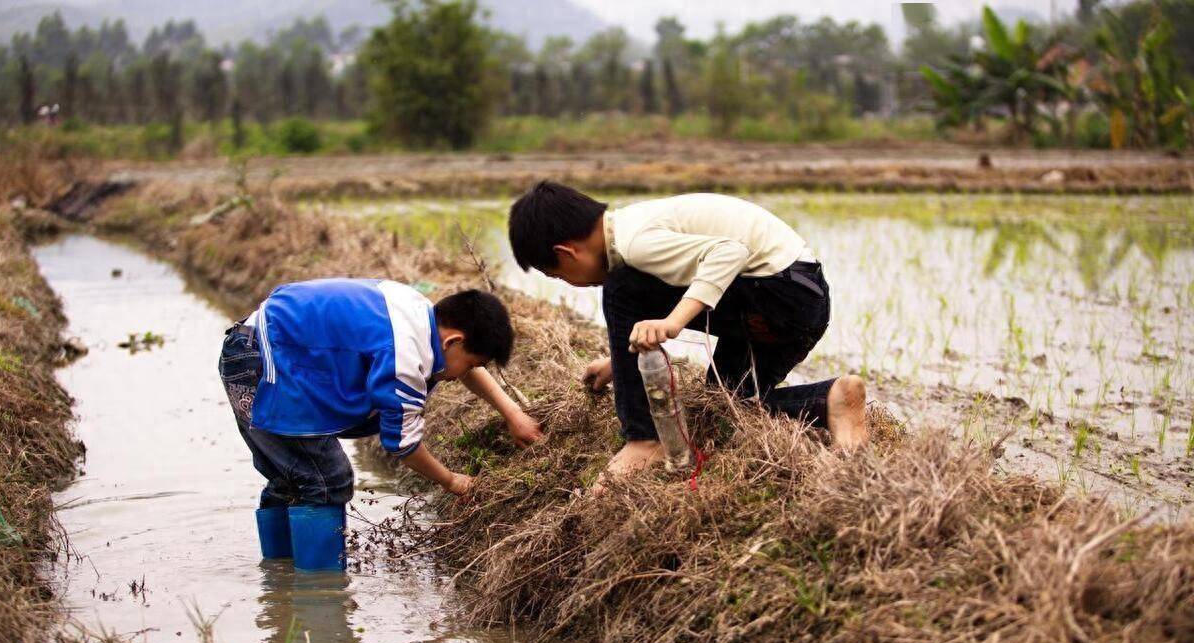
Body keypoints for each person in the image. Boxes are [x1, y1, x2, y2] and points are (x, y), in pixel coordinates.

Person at [507, 181, 868, 483]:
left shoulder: (635, 242)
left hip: (778, 296)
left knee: (622, 286)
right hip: (797, 303)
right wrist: (622, 359)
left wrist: (673, 322)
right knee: (724, 407)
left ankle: (645, 438)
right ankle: (830, 398)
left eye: (558, 275)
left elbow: (730, 252)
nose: (570, 283)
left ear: (566, 252)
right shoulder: (632, 226)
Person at [219, 279, 541, 569]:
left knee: (293, 480)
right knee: (328, 480)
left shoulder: (420, 313)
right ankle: (321, 601)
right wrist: (453, 481)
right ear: (453, 341)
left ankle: (280, 581)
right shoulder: (405, 356)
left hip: (252, 348)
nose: (458, 377)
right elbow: (403, 444)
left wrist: (513, 414)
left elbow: (465, 366)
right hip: (260, 365)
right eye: (470, 363)